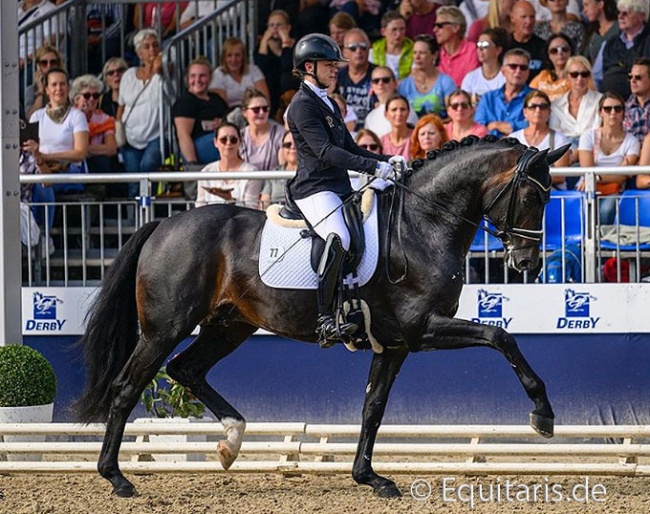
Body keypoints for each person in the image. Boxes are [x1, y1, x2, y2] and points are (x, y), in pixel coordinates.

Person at [287, 34, 399, 347]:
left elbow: (349, 146)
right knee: (340, 236)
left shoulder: (328, 102)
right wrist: (374, 168)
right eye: (329, 65)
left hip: (337, 186)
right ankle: (324, 318)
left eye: (336, 64)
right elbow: (326, 152)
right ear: (309, 67)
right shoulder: (301, 106)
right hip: (314, 188)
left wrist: (388, 159)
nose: (336, 69)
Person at [24, 68, 89, 233]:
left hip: (71, 170)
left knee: (42, 185)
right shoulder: (37, 116)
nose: (58, 88)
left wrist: (47, 156)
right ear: (46, 90)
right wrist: (41, 158)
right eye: (54, 84)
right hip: (41, 168)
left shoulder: (77, 116)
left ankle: (42, 235)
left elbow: (80, 152)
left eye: (62, 84)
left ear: (68, 88)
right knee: (35, 183)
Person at [117, 29, 165, 197]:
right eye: (146, 46)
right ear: (138, 52)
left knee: (148, 167)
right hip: (130, 136)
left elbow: (168, 77)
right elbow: (121, 105)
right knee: (133, 180)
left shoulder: (163, 74)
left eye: (155, 45)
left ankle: (153, 217)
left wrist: (159, 66)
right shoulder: (129, 75)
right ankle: (134, 220)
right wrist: (118, 131)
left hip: (156, 134)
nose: (151, 49)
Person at [578, 92, 639, 223]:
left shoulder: (632, 141)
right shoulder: (588, 136)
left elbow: (623, 175)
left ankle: (604, 243)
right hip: (588, 187)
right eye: (607, 109)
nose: (613, 113)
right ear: (600, 112)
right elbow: (587, 170)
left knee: (607, 210)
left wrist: (597, 177)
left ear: (623, 112)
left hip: (615, 189)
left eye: (618, 109)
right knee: (582, 209)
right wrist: (614, 173)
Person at [172, 57, 229, 168]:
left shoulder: (215, 98)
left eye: (202, 76)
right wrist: (192, 165)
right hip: (198, 148)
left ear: (210, 78)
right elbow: (183, 135)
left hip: (218, 142)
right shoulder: (185, 101)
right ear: (187, 79)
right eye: (193, 76)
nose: (197, 80)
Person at [510, 90, 571, 188]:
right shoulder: (513, 138)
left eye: (543, 107)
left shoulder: (560, 139)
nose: (538, 110)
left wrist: (526, 178)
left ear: (549, 112)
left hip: (552, 194)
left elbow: (560, 177)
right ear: (525, 112)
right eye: (532, 106)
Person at [195, 122, 258, 208]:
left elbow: (251, 209)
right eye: (223, 140)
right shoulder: (206, 171)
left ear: (240, 142)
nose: (228, 143)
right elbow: (199, 207)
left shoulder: (252, 172)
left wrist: (230, 200)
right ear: (215, 142)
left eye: (233, 140)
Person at [596, 0, 650, 98]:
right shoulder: (608, 44)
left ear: (641, 16)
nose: (620, 17)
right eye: (619, 13)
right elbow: (595, 79)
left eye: (626, 13)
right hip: (609, 106)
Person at [240, 88, 285, 206]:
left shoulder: (280, 133)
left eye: (265, 109)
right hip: (245, 193)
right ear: (244, 112)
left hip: (271, 196)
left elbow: (282, 169)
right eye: (256, 110)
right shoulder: (238, 137)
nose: (261, 113)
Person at [475, 48, 533, 137]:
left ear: (528, 72)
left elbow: (535, 125)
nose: (518, 71)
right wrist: (517, 127)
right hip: (490, 148)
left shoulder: (535, 97)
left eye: (523, 67)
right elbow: (479, 127)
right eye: (513, 66)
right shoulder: (488, 98)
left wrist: (496, 125)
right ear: (502, 71)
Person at [549, 56, 602, 155]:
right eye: (574, 74)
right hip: (563, 152)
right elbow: (555, 136)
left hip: (590, 151)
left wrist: (577, 154)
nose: (579, 79)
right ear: (566, 76)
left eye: (584, 74)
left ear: (589, 76)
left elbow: (597, 134)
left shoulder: (600, 100)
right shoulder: (556, 104)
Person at [70, 74, 117, 183]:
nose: (91, 99)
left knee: (103, 162)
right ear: (76, 99)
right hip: (72, 161)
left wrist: (83, 149)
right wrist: (81, 115)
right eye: (86, 96)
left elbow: (111, 148)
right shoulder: (68, 117)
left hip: (95, 162)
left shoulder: (105, 119)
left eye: (95, 96)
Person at [397, 34, 456, 118]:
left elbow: (453, 115)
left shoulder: (446, 82)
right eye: (414, 53)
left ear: (434, 55)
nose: (417, 57)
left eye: (422, 53)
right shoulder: (405, 85)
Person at [255, 9, 299, 117]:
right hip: (271, 91)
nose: (275, 28)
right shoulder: (261, 48)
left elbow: (286, 67)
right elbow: (261, 69)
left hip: (291, 89)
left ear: (288, 27)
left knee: (285, 78)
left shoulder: (298, 46)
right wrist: (264, 42)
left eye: (279, 25)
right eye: (271, 25)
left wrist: (285, 43)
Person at [209, 37, 271, 110]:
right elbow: (221, 106)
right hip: (230, 115)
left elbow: (265, 99)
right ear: (224, 58)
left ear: (243, 56)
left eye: (237, 55)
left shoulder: (254, 70)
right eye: (229, 55)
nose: (234, 59)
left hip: (255, 111)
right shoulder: (218, 74)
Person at [364, 66, 419, 137]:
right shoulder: (370, 116)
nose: (380, 83)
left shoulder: (404, 109)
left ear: (395, 84)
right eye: (376, 81)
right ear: (372, 86)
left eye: (385, 80)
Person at [337, 28, 375, 129]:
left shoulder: (380, 76)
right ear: (344, 52)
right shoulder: (336, 77)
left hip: (372, 131)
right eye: (353, 48)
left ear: (368, 49)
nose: (358, 51)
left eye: (363, 47)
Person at [433, 6, 480, 88]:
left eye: (440, 25)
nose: (435, 29)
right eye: (435, 25)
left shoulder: (472, 50)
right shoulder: (435, 54)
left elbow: (471, 84)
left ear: (455, 28)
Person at [461, 28, 507, 104]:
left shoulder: (506, 77)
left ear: (498, 50)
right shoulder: (470, 78)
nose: (480, 48)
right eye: (478, 44)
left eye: (485, 45)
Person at [369, 11, 414, 80]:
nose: (398, 34)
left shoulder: (415, 51)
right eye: (394, 29)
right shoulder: (373, 53)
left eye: (402, 29)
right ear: (383, 32)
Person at [508, 0, 546, 80]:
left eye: (532, 17)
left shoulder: (543, 46)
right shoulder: (504, 45)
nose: (529, 22)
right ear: (512, 18)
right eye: (523, 17)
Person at [530, 33, 574, 101]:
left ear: (571, 51)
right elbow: (529, 97)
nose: (560, 53)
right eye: (554, 51)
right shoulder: (543, 75)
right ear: (548, 55)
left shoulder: (579, 75)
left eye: (564, 49)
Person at [261, 130, 296, 209]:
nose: (293, 147)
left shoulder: (311, 173)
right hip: (276, 217)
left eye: (297, 143)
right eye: (288, 145)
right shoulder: (274, 173)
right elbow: (264, 204)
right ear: (282, 149)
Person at [25, 45, 63, 119]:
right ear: (38, 66)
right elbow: (31, 118)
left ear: (58, 64)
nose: (49, 66)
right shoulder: (31, 90)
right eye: (44, 63)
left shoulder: (68, 85)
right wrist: (40, 92)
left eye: (53, 62)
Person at [581, 0, 619, 65]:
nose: (584, 11)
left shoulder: (620, 28)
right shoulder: (591, 34)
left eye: (586, 5)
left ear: (600, 4)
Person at [623, 57, 650, 144]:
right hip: (629, 154)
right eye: (630, 77)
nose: (632, 81)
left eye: (638, 77)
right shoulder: (623, 107)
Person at [380, 94, 413, 159]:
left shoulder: (417, 138)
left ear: (408, 112)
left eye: (403, 109)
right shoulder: (381, 142)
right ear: (386, 114)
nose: (399, 113)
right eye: (394, 110)